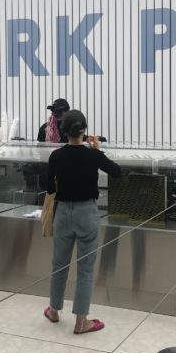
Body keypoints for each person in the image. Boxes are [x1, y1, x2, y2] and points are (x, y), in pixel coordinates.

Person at [44, 109, 122, 334]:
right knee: (85, 270)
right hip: (87, 212)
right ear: (84, 131)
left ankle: (54, 311)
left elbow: (48, 187)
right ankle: (81, 322)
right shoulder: (93, 155)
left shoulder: (56, 156)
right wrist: (97, 150)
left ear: (64, 131)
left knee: (59, 265)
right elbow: (117, 172)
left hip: (62, 214)